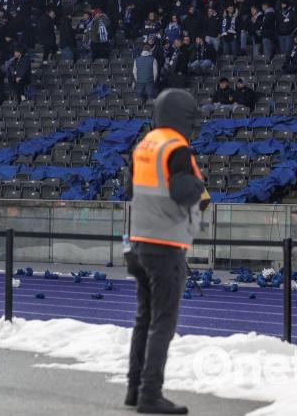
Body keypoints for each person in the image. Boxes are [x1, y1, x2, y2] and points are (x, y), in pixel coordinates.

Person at [125, 89, 208, 414]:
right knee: (163, 321)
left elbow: (134, 189)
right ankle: (150, 395)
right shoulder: (176, 148)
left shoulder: (145, 145)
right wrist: (200, 185)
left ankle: (134, 389)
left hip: (139, 241)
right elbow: (182, 192)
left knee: (144, 318)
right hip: (166, 245)